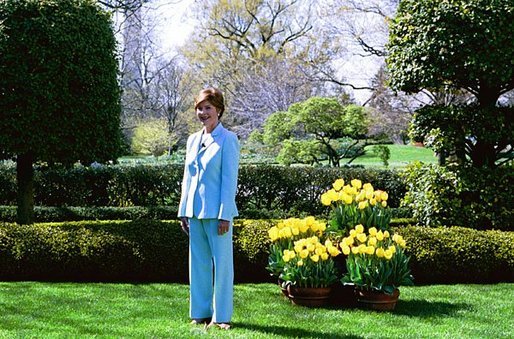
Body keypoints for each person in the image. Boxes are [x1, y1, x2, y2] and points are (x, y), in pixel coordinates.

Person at [178, 87, 240, 330]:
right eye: (199, 108)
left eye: (208, 108)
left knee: (222, 266)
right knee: (199, 264)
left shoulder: (229, 140)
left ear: (219, 110)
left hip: (218, 215)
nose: (203, 112)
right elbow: (188, 177)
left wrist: (225, 214)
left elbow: (229, 181)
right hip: (195, 213)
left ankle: (221, 317)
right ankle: (200, 312)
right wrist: (184, 209)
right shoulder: (193, 140)